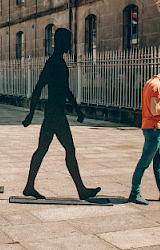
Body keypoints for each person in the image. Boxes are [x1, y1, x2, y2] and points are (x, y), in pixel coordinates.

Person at [22, 28, 101, 200]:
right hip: (55, 114)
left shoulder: (57, 62)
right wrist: (30, 113)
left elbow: (65, 90)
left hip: (54, 111)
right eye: (67, 40)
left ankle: (29, 186)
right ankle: (80, 190)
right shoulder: (54, 63)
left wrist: (77, 109)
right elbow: (38, 88)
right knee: (68, 150)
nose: (69, 44)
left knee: (43, 150)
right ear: (60, 42)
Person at [128, 64, 160, 205]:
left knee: (158, 162)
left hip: (152, 127)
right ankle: (134, 193)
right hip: (153, 128)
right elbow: (155, 110)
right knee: (145, 161)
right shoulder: (156, 86)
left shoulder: (150, 83)